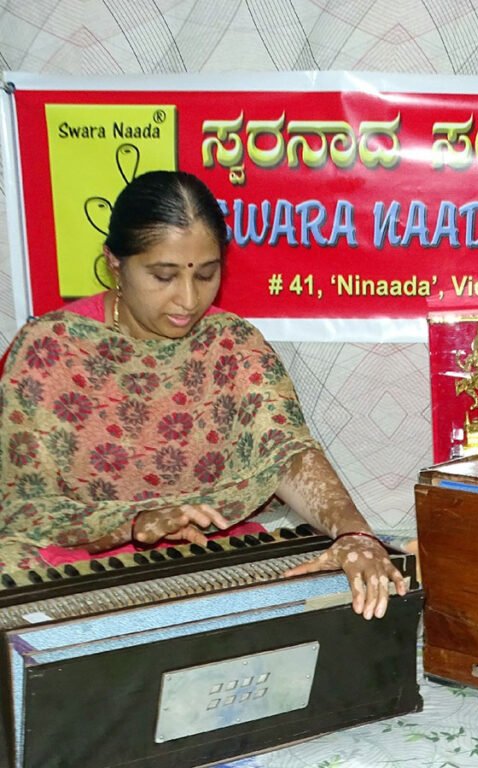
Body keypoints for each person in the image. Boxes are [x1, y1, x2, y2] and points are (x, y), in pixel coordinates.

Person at [0, 170, 406, 620]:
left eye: (207, 274)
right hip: (83, 561)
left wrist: (355, 535)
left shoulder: (229, 342)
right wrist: (131, 524)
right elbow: (23, 505)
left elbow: (286, 452)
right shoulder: (51, 349)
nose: (188, 300)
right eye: (163, 276)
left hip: (208, 560)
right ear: (115, 263)